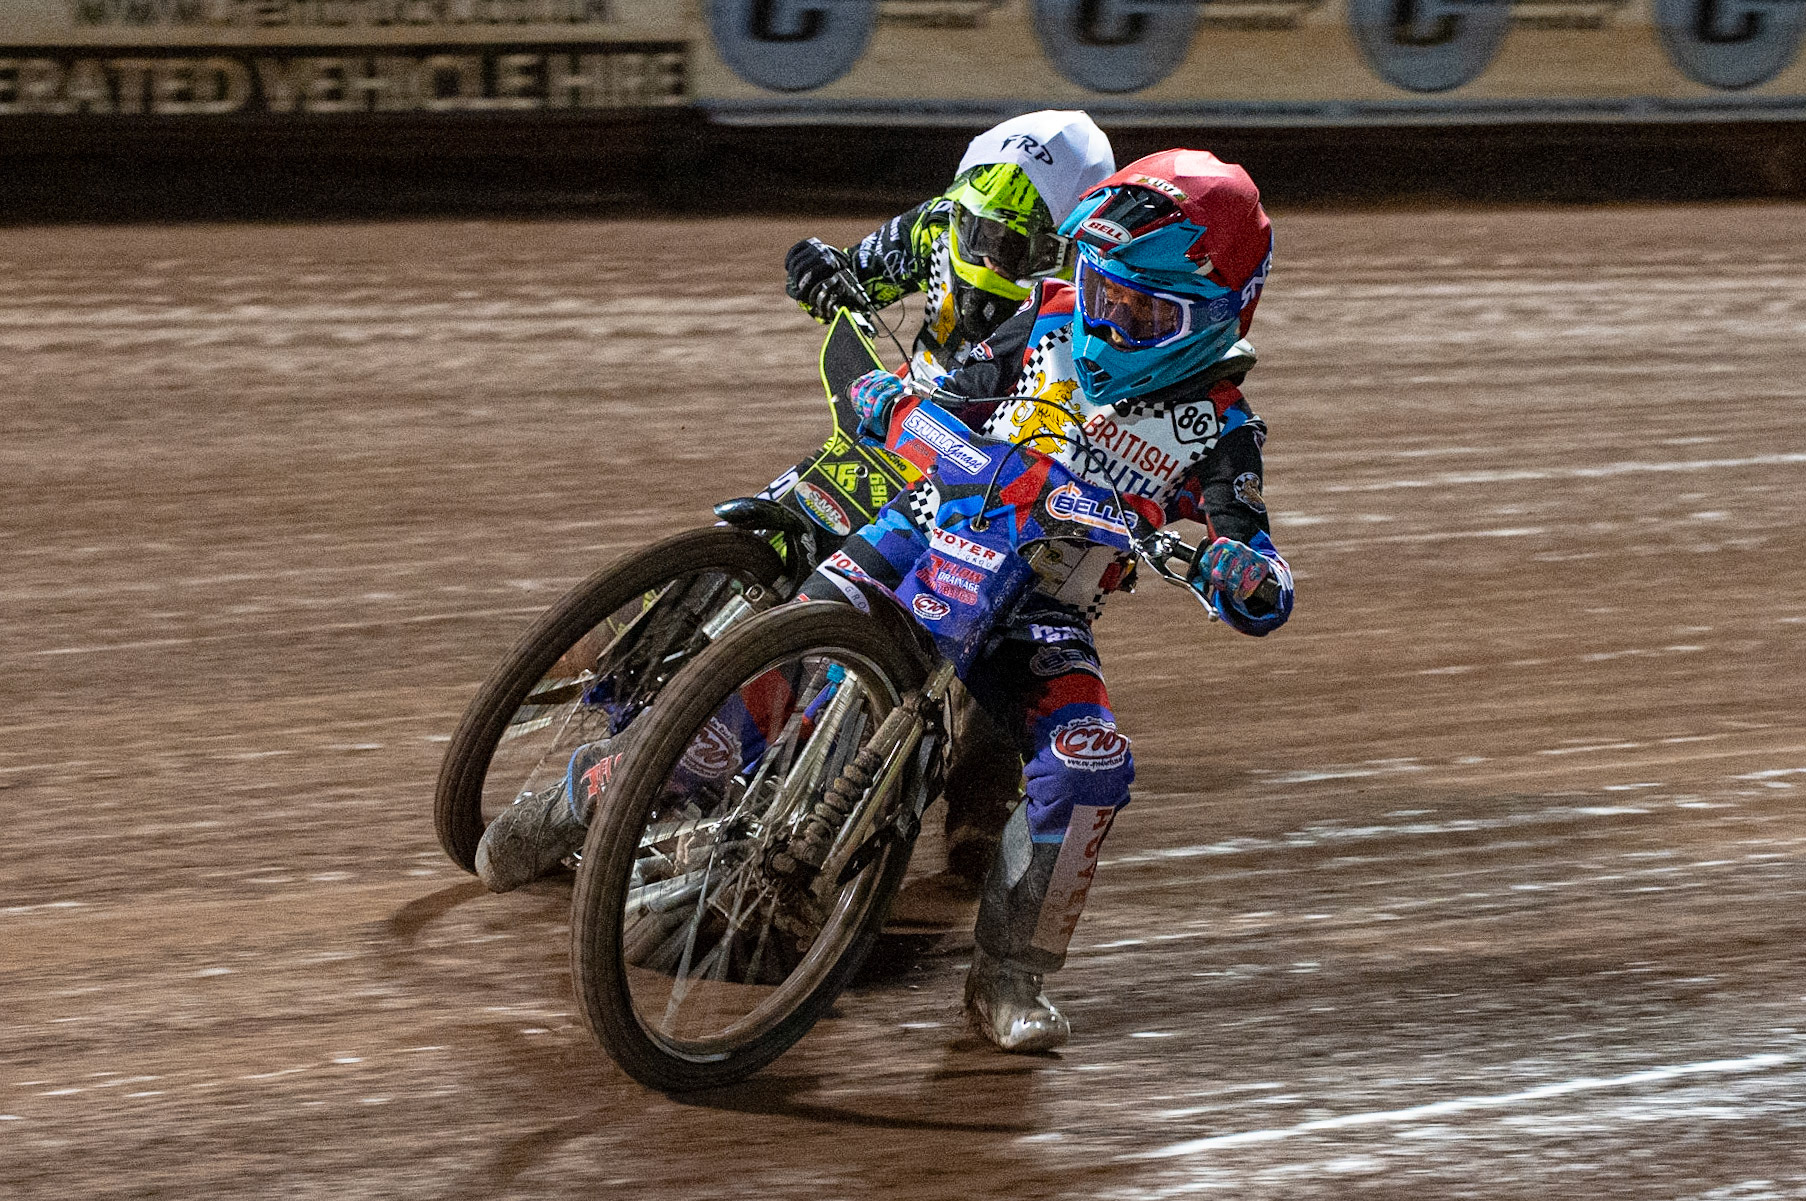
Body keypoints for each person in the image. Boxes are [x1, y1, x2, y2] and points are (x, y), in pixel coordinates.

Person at [474, 112, 1115, 896]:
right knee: (756, 526)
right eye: (977, 232)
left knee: (993, 641)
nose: (984, 257)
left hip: (984, 487)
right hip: (890, 438)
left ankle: (977, 793)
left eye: (1011, 247)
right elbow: (851, 270)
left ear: (1062, 247)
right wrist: (817, 268)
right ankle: (608, 658)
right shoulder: (935, 227)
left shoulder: (1092, 309)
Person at [803, 148, 1294, 1052]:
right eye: (1106, 293)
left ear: (1221, 314)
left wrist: (1243, 572)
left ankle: (1007, 973)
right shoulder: (1049, 315)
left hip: (1039, 615)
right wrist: (897, 401)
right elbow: (955, 385)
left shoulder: (1219, 428)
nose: (1111, 320)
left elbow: (1255, 557)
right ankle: (592, 793)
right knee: (795, 635)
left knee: (1089, 763)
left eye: (1146, 312)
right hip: (926, 530)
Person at [785, 109, 1116, 386]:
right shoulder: (938, 224)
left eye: (1020, 247)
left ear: (1073, 248)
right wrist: (815, 271)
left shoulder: (1101, 289)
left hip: (1026, 436)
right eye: (984, 230)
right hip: (905, 416)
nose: (993, 261)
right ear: (962, 211)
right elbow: (846, 285)